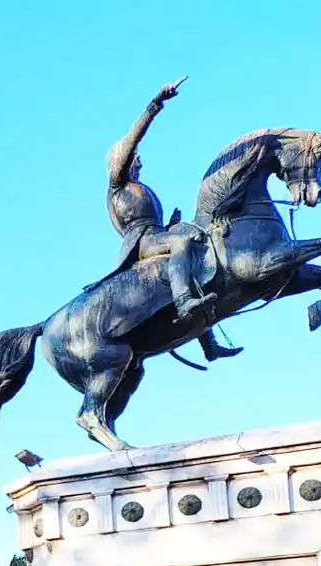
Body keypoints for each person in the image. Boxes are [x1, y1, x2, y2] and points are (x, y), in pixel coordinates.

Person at [102, 78, 241, 362]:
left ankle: (209, 344)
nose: (139, 161)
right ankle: (183, 301)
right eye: (135, 158)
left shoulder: (140, 189)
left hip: (155, 235)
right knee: (182, 244)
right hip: (142, 242)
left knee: (196, 244)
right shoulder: (118, 183)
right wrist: (155, 105)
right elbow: (132, 140)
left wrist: (170, 225)